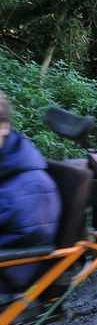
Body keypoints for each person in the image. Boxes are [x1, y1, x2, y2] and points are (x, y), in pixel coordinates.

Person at [0, 92, 61, 291]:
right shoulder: (9, 163)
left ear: (3, 127)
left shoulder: (31, 186)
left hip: (10, 274)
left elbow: (32, 240)